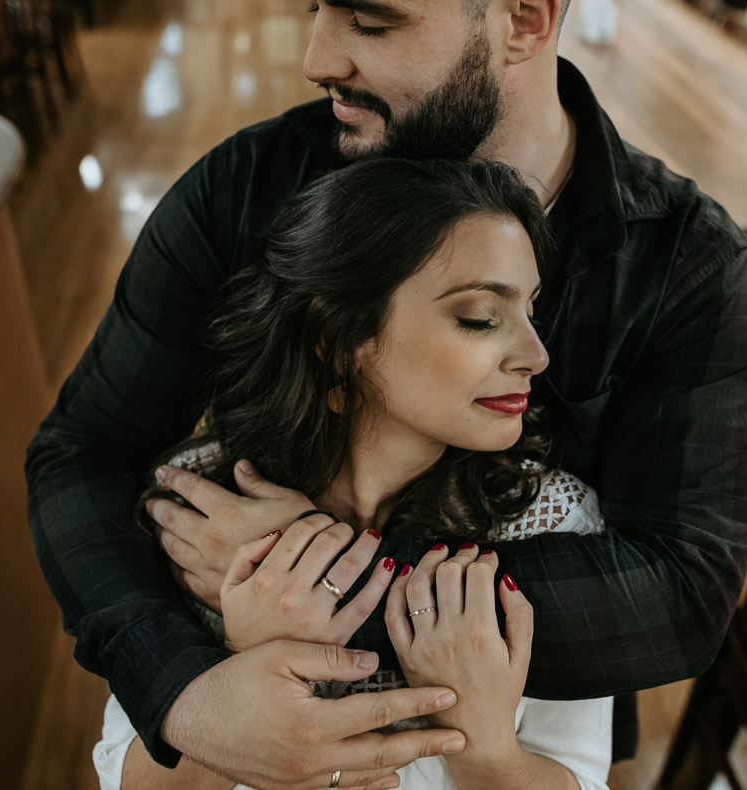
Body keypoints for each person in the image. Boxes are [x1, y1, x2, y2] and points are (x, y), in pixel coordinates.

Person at [25, 1, 747, 787]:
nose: (317, 57)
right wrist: (186, 691)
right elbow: (83, 453)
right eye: (318, 8)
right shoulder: (244, 188)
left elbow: (682, 590)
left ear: (524, 18)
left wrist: (318, 576)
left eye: (373, 23)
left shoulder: (686, 262)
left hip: (530, 716)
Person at [94, 157, 614, 790]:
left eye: (531, 310)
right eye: (480, 317)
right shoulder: (207, 510)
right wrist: (241, 676)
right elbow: (127, 780)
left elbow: (584, 777)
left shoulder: (552, 521)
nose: (537, 355)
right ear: (339, 341)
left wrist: (486, 751)